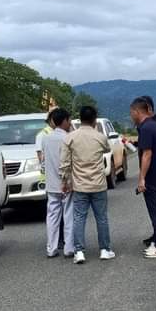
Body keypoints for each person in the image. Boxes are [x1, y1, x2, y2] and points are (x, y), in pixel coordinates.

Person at [60, 105, 115, 264]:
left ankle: (79, 251)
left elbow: (64, 164)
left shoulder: (70, 138)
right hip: (98, 184)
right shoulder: (100, 137)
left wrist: (65, 182)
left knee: (79, 218)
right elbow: (107, 149)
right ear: (94, 119)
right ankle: (104, 249)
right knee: (101, 217)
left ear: (80, 118)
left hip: (79, 185)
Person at [130, 96, 156, 258]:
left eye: (131, 112)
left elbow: (147, 154)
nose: (131, 116)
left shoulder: (146, 128)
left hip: (152, 176)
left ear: (137, 111)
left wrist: (142, 178)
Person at [39, 108, 75, 258]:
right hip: (67, 183)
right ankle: (69, 248)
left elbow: (43, 162)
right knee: (68, 215)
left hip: (52, 183)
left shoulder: (45, 139)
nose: (70, 123)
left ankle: (51, 248)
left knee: (52, 216)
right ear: (65, 121)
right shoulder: (68, 138)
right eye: (69, 120)